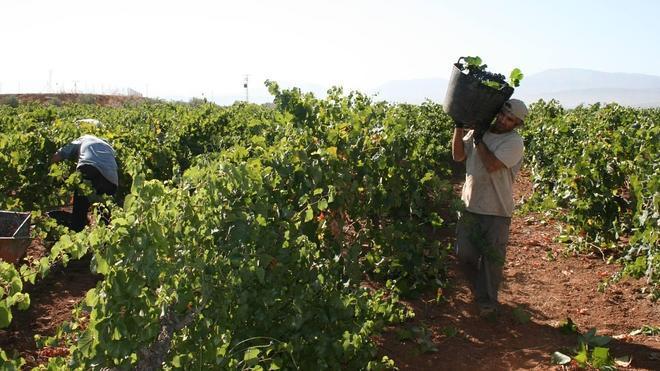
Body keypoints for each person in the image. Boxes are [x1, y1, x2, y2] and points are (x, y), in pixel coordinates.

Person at [451, 99, 528, 318]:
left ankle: (487, 302)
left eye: (510, 119)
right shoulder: (480, 132)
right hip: (470, 205)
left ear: (517, 124)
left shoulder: (514, 143)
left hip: (497, 210)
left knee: (491, 260)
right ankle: (478, 289)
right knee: (464, 253)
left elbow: (492, 165)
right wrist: (459, 127)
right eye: (503, 114)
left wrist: (478, 138)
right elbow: (457, 156)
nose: (504, 120)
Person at [50, 134, 118, 232]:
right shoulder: (108, 146)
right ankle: (105, 238)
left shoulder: (84, 138)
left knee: (80, 211)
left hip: (89, 169)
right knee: (103, 210)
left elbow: (61, 153)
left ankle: (77, 233)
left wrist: (48, 167)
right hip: (112, 179)